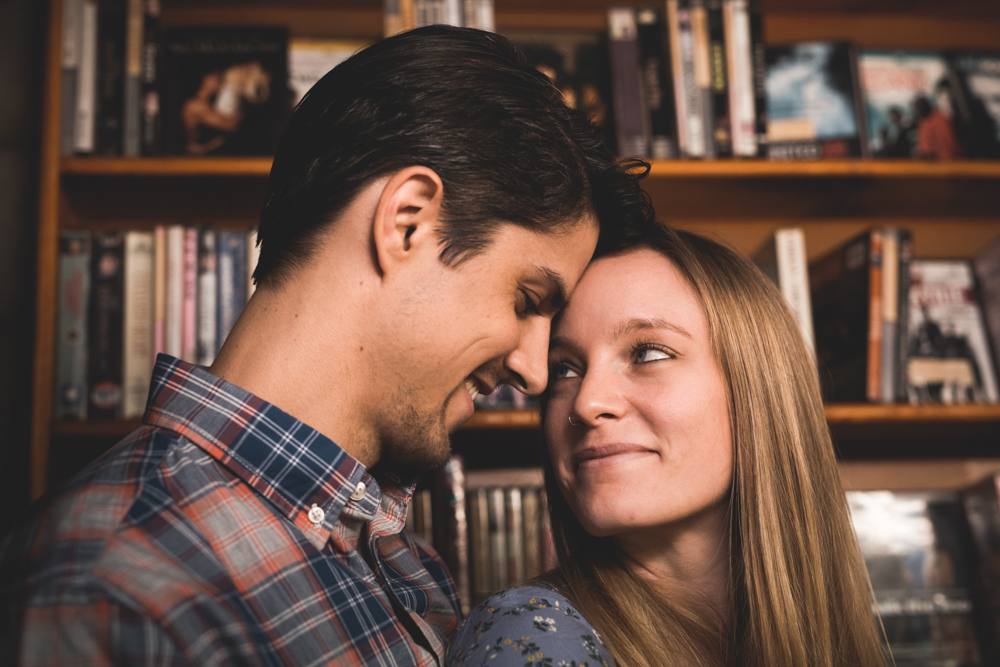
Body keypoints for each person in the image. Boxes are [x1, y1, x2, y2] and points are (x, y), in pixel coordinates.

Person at [0, 26, 655, 666]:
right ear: (408, 222)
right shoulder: (111, 595)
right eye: (526, 299)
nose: (535, 373)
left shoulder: (404, 561)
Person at [448, 226, 887, 667]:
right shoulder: (530, 633)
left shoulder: (835, 632)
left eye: (648, 354)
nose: (586, 402)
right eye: (564, 369)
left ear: (758, 388)